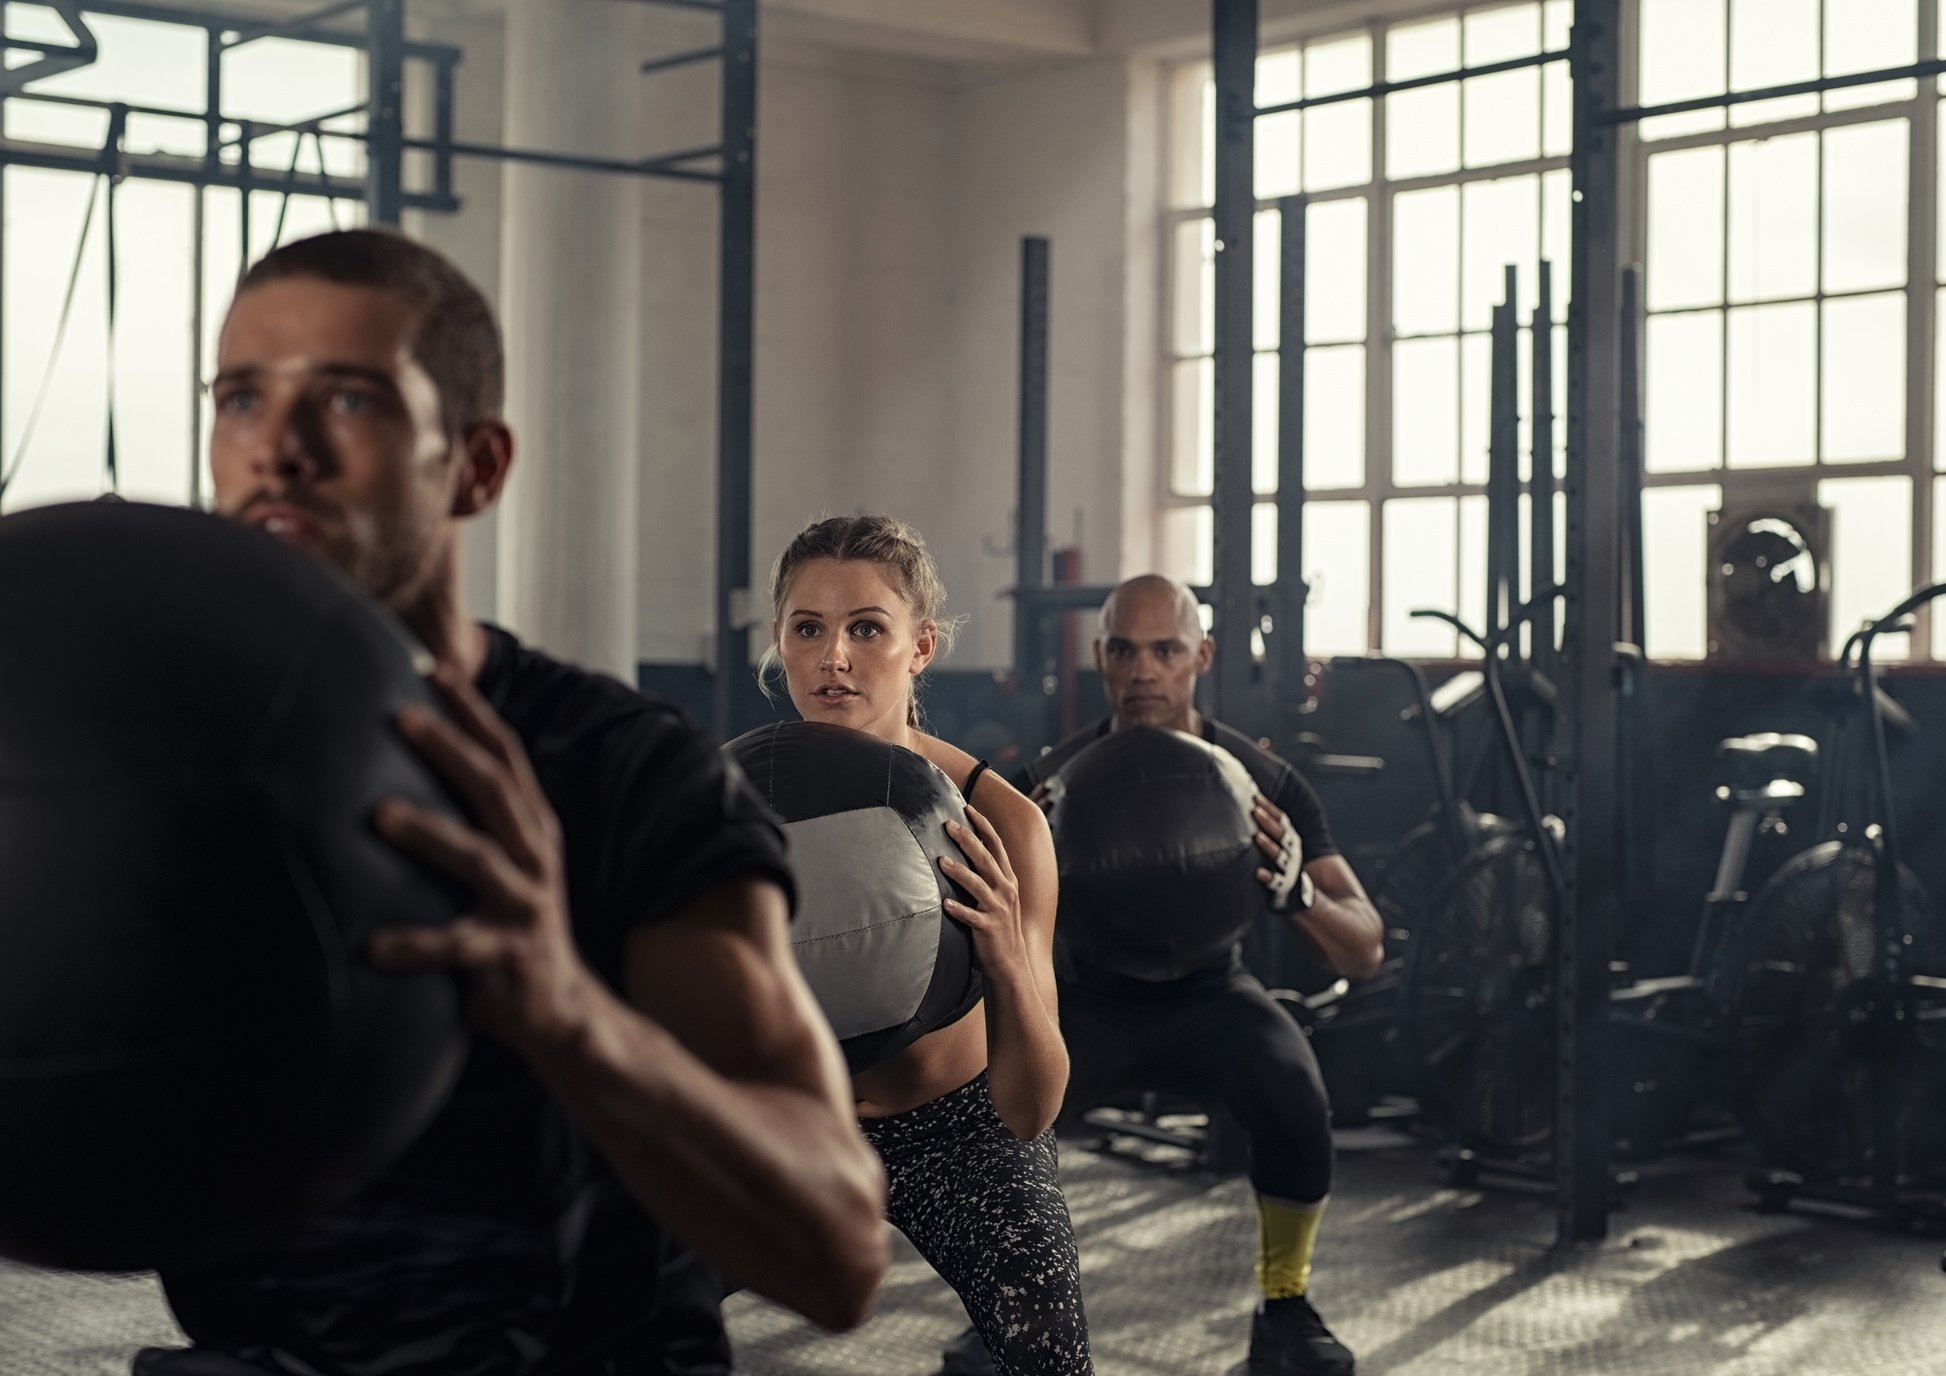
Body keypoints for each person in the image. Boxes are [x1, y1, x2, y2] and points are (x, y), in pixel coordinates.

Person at [136, 229, 888, 1376]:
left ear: (477, 467)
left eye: (347, 400)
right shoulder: (169, 759)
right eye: (241, 398)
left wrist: (562, 1006)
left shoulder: (627, 769)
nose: (275, 450)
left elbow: (837, 1252)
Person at [958, 573, 1385, 1376]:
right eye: (1125, 650)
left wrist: (1299, 895)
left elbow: (1364, 948)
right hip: (1090, 998)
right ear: (1101, 658)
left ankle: (1285, 1312)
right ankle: (1000, 1314)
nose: (1144, 670)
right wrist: (1026, 863)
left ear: (1202, 656)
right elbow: (977, 934)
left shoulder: (1262, 782)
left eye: (1166, 650)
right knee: (986, 1117)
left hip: (1211, 995)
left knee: (1295, 1091)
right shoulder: (1051, 782)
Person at [761, 515, 1093, 1376]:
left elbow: (1030, 1109)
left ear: (920, 648)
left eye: (868, 628)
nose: (836, 656)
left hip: (957, 1127)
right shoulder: (731, 801)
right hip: (790, 1120)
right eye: (810, 628)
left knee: (1048, 1339)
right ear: (780, 643)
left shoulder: (1003, 826)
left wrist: (1008, 962)